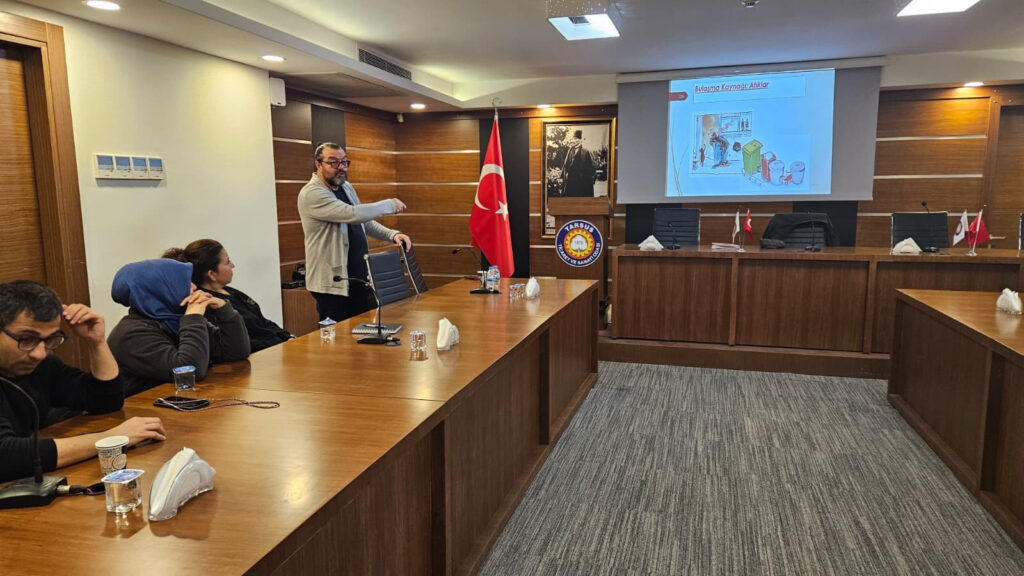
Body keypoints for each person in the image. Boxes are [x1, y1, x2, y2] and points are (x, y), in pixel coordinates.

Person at [0, 280, 166, 483]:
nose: (40, 353)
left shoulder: (40, 363)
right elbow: (6, 457)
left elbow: (105, 401)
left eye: (50, 339)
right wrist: (112, 439)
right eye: (26, 339)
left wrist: (96, 342)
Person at [297, 142, 413, 322]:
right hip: (331, 284)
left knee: (360, 331)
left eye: (344, 162)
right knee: (337, 336)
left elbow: (363, 221)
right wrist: (390, 204)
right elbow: (352, 213)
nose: (341, 167)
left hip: (357, 278)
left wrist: (392, 234)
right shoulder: (312, 193)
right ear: (318, 164)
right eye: (333, 162)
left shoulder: (346, 187)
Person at [107, 259, 250, 396]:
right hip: (142, 408)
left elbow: (235, 352)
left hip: (181, 402)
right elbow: (190, 371)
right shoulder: (131, 334)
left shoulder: (174, 318)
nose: (194, 287)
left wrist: (223, 309)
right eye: (183, 282)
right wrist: (193, 317)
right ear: (161, 290)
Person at [164, 239, 292, 353]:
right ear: (212, 274)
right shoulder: (206, 304)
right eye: (227, 262)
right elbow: (238, 343)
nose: (233, 265)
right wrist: (277, 345)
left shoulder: (230, 291)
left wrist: (288, 337)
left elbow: (262, 322)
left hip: (277, 346)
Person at [560, 129, 596, 197]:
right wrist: (564, 176)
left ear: (580, 140)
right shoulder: (570, 150)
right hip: (571, 181)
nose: (573, 140)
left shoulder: (586, 152)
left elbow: (592, 168)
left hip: (582, 182)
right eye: (573, 138)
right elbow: (566, 164)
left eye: (576, 139)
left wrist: (588, 179)